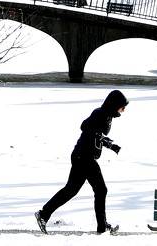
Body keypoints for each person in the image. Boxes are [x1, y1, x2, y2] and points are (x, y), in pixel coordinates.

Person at [35, 90, 129, 235]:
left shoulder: (108, 116)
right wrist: (105, 140)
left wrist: (109, 144)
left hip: (83, 156)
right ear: (114, 104)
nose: (124, 110)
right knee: (101, 189)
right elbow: (85, 127)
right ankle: (102, 228)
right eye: (122, 106)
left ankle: (43, 214)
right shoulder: (99, 113)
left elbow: (97, 135)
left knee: (71, 190)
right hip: (84, 157)